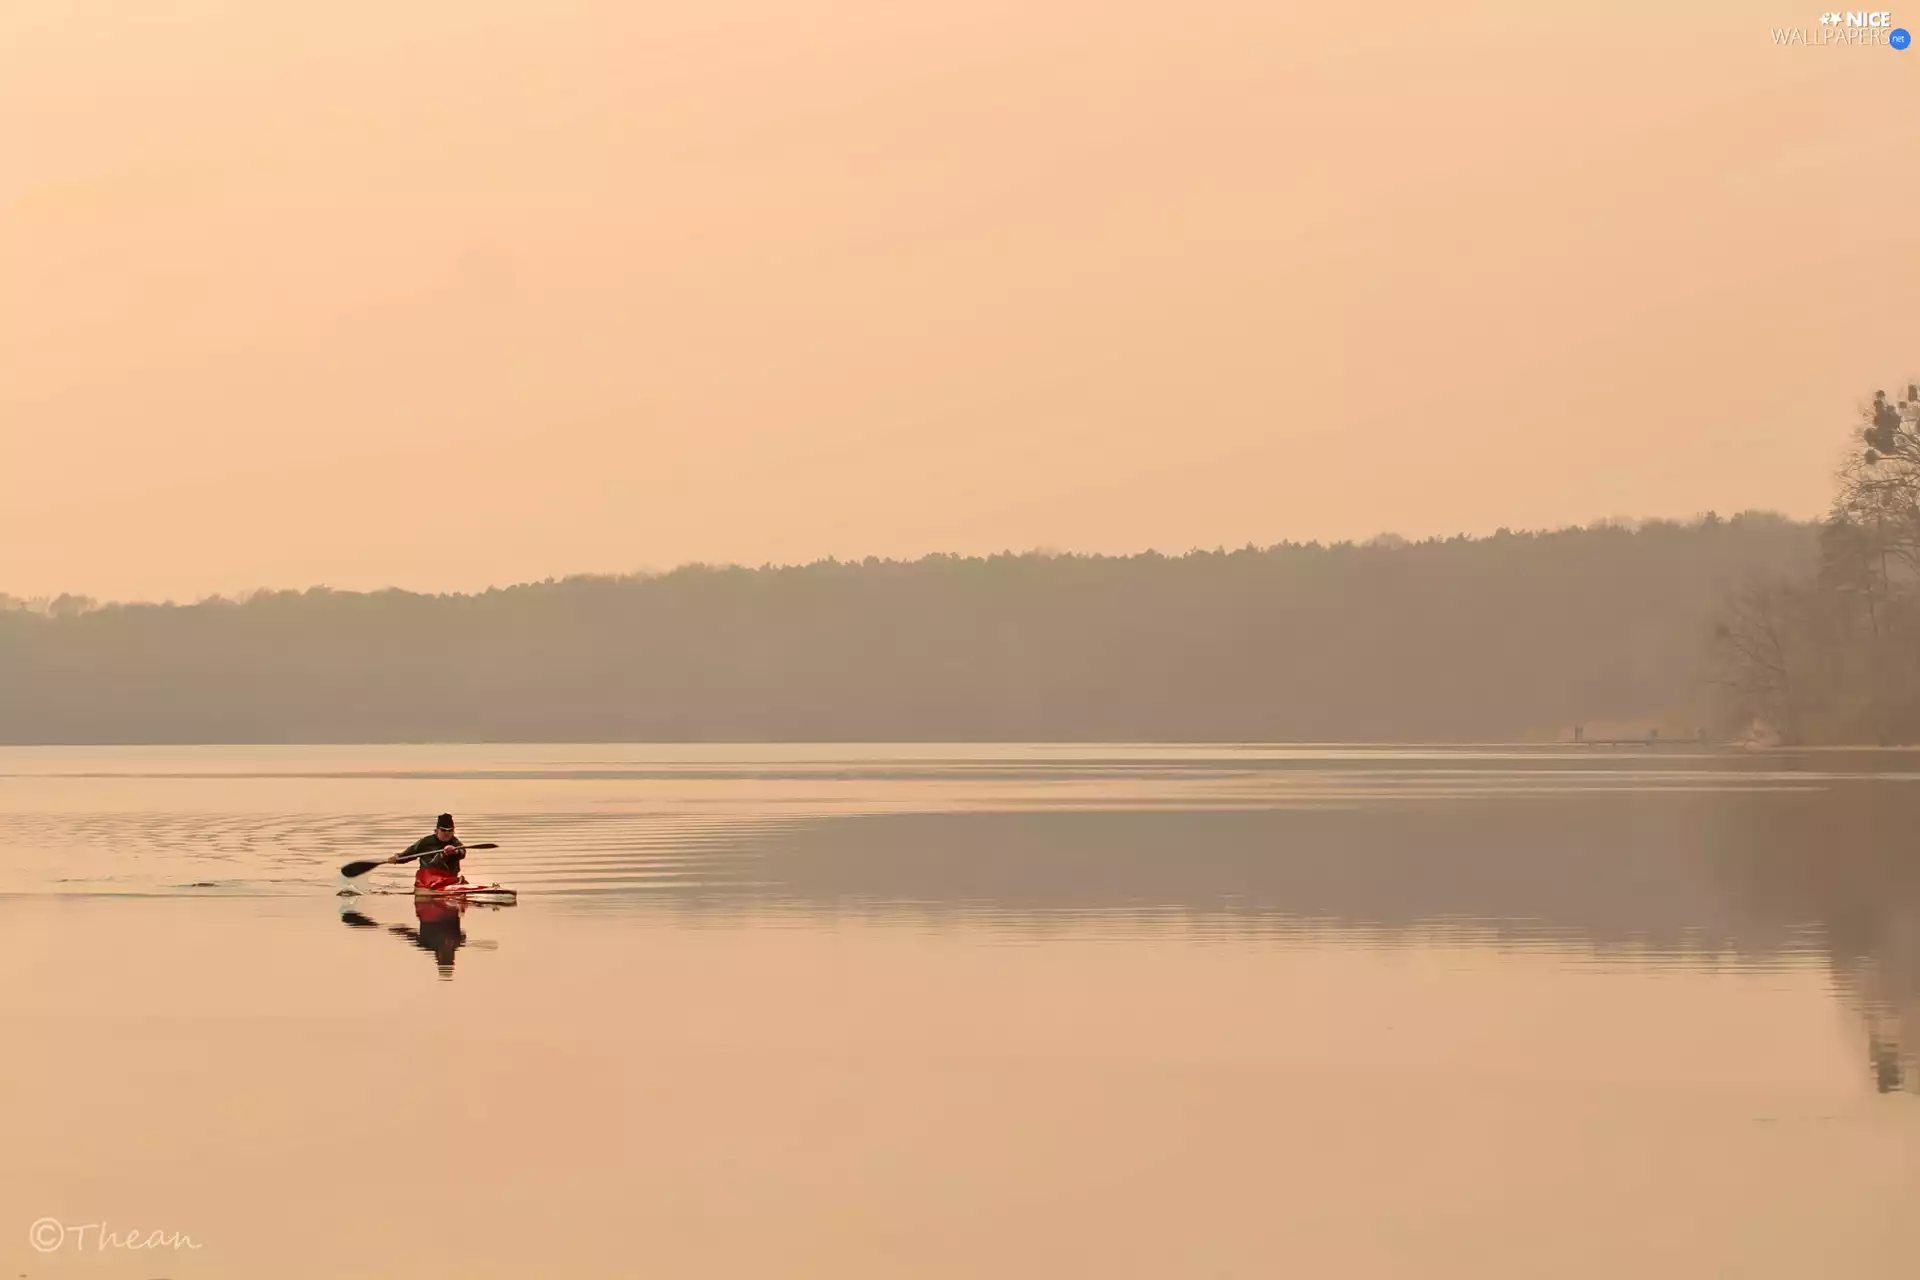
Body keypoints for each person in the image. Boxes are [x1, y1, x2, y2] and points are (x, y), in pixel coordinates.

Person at [390, 813, 467, 891]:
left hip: (449, 878)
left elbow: (462, 852)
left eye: (450, 830)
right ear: (436, 831)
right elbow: (408, 854)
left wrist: (455, 851)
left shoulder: (455, 843)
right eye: (443, 830)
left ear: (453, 831)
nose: (447, 833)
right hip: (427, 879)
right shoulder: (425, 842)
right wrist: (397, 858)